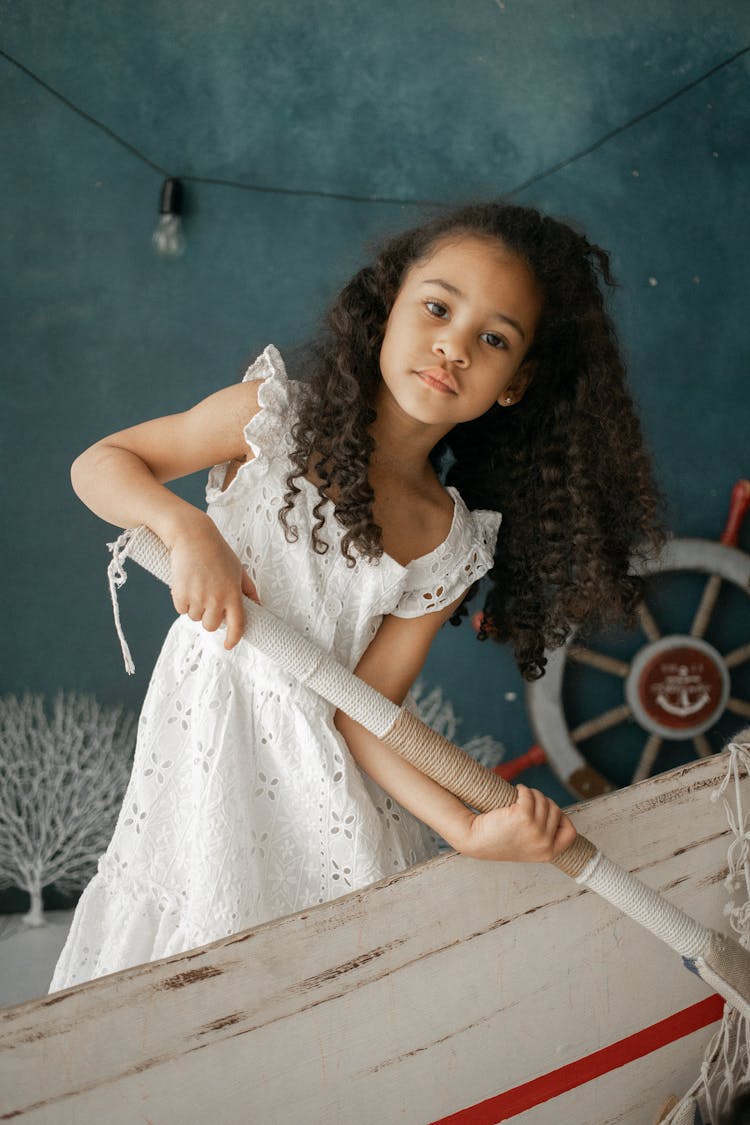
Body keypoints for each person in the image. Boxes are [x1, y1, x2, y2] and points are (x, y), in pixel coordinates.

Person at [49, 201, 663, 991]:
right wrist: (188, 530)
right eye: (438, 308)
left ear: (517, 383)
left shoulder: (448, 537)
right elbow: (102, 462)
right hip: (206, 761)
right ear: (387, 308)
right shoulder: (273, 422)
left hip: (320, 796)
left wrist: (470, 828)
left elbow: (369, 717)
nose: (454, 345)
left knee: (303, 996)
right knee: (176, 974)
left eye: (495, 338)